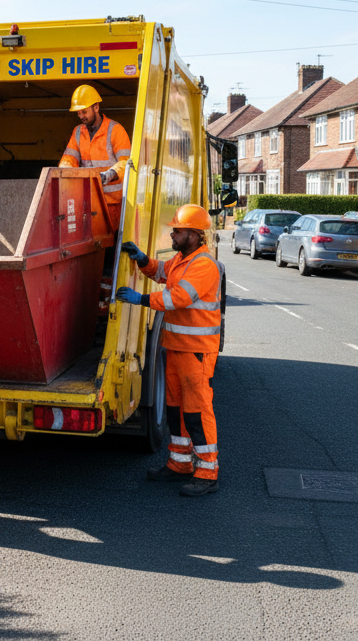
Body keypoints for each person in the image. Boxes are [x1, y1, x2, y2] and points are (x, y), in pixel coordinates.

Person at [114, 204, 224, 497]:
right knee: (175, 410)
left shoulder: (204, 265)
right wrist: (143, 261)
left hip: (196, 351)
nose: (172, 234)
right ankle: (179, 463)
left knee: (197, 411)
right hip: (177, 348)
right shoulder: (181, 259)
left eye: (177, 230)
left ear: (193, 234)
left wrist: (141, 299)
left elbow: (180, 297)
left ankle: (207, 472)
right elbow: (163, 273)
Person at [59, 84, 132, 228]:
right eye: (78, 113)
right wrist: (63, 172)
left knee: (110, 247)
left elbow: (127, 162)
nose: (81, 116)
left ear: (96, 107)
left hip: (113, 204)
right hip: (89, 203)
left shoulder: (115, 130)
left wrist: (109, 174)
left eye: (84, 112)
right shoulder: (78, 132)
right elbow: (69, 158)